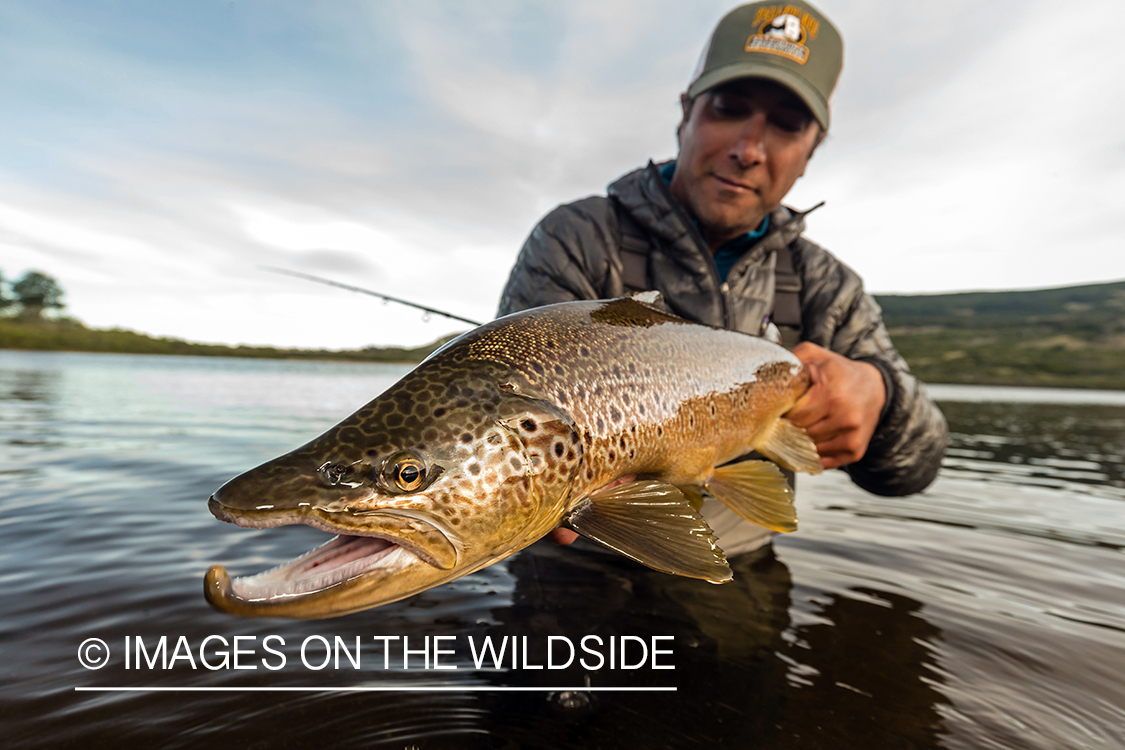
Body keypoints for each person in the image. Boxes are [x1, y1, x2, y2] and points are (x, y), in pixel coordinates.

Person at [497, 2, 947, 552]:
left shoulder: (827, 286)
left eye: (786, 126)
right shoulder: (577, 238)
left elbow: (917, 469)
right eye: (729, 109)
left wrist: (884, 398)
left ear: (810, 153)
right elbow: (507, 402)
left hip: (740, 567)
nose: (748, 150)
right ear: (685, 114)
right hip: (580, 561)